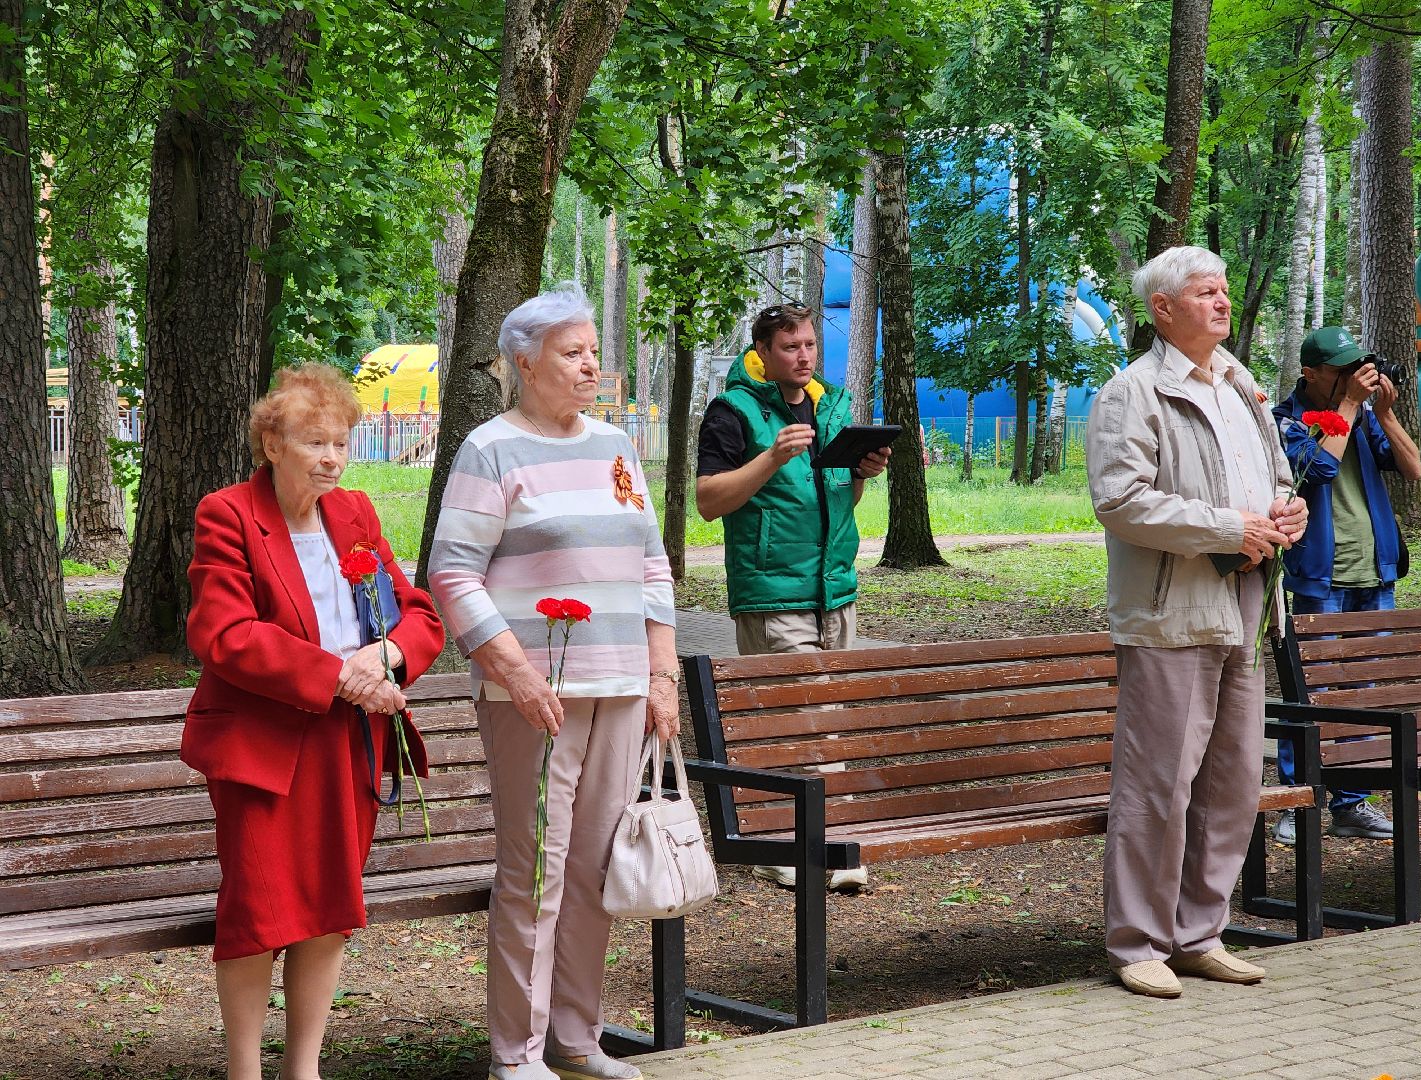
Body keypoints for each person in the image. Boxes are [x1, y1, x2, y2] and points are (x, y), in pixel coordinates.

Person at [429, 283, 679, 1080]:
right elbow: (452, 572)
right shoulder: (490, 449)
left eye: (594, 354)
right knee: (534, 870)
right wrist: (515, 670)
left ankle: (577, 1039)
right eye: (573, 354)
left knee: (594, 871)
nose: (591, 367)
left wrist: (663, 674)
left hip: (622, 685)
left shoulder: (614, 444)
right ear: (525, 363)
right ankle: (518, 1051)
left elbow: (651, 562)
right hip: (534, 699)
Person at [182, 363, 446, 1080]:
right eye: (314, 442)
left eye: (341, 442)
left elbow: (417, 615)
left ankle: (304, 1070)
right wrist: (339, 675)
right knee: (259, 912)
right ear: (272, 443)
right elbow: (224, 633)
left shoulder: (355, 512)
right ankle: (245, 1072)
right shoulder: (229, 513)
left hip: (347, 742)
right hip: (263, 747)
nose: (331, 457)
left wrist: (386, 654)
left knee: (332, 906)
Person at [1085, 246, 1308, 999]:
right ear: (1164, 309)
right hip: (1169, 611)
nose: (1221, 301)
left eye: (1223, 289)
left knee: (1233, 779)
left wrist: (1287, 511)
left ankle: (1198, 933)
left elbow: (1275, 476)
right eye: (1205, 292)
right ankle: (1138, 941)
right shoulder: (1132, 392)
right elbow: (1120, 500)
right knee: (1160, 783)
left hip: (1247, 603)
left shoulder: (1240, 383)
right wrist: (1226, 528)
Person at [694, 302, 890, 893]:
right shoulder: (735, 412)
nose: (803, 356)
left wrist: (862, 472)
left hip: (835, 588)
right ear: (762, 351)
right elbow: (708, 500)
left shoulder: (833, 407)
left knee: (831, 716)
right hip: (772, 590)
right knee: (784, 716)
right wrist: (771, 456)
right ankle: (777, 842)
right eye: (789, 347)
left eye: (808, 345)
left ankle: (830, 843)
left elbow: (838, 501)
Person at [1268, 326, 1421, 845]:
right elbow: (1318, 469)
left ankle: (1351, 803)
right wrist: (1352, 405)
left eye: (1357, 366)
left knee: (1364, 693)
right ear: (1309, 372)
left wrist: (1381, 411)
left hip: (1374, 573)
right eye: (1340, 369)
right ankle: (1298, 799)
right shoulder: (1285, 421)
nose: (1353, 376)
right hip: (1320, 577)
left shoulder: (1362, 419)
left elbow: (1414, 470)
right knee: (1310, 695)